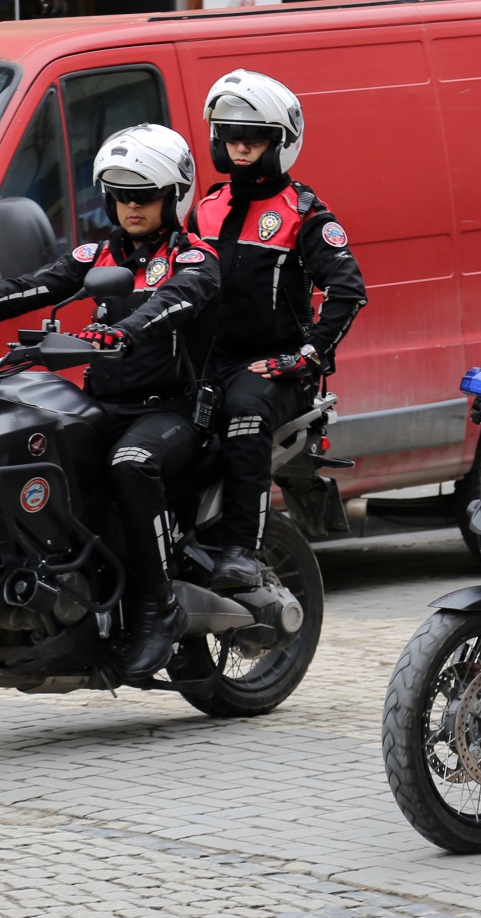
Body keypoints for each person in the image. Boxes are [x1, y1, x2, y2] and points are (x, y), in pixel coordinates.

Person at [0, 124, 220, 681]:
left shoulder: (194, 258)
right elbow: (30, 287)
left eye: (145, 195)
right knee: (38, 448)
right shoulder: (97, 252)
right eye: (121, 194)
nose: (131, 206)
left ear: (174, 196)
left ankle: (158, 609)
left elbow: (174, 303)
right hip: (107, 407)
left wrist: (125, 331)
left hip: (170, 412)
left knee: (131, 463)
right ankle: (70, 607)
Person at [188, 69, 367, 588]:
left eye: (255, 136)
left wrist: (308, 356)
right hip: (209, 361)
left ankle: (242, 550)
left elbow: (347, 290)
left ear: (281, 142)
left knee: (244, 414)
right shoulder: (205, 207)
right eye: (230, 134)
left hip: (272, 366)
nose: (240, 146)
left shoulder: (304, 212)